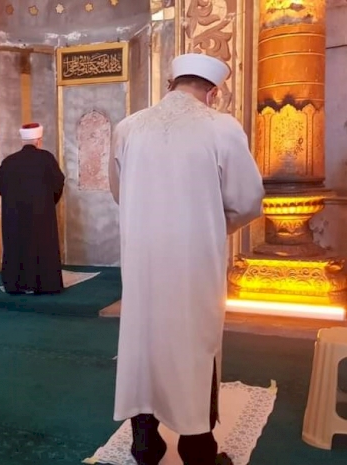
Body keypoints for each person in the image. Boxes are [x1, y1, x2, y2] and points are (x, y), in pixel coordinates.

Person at [108, 53, 265, 465]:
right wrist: (212, 225)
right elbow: (248, 202)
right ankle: (197, 448)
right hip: (194, 260)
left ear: (170, 83)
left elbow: (119, 193)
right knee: (195, 343)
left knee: (144, 339)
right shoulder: (221, 127)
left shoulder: (128, 127)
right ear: (212, 92)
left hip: (143, 258)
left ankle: (146, 441)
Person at [0, 123, 66, 294]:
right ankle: (45, 285)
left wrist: (13, 203)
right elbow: (58, 183)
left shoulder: (9, 161)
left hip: (14, 217)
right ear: (39, 140)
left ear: (22, 140)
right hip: (41, 215)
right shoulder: (46, 158)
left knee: (17, 247)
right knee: (41, 247)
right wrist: (48, 203)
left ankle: (16, 285)